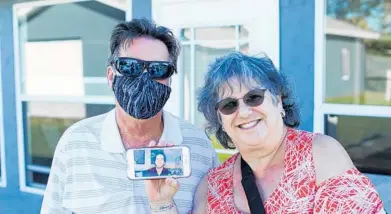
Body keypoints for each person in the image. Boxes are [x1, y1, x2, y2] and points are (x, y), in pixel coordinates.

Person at [145, 52, 386, 214]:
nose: (244, 112)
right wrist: (162, 203)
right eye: (229, 105)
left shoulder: (319, 156)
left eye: (254, 97)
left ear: (279, 102)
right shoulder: (211, 187)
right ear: (220, 118)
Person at [41, 18, 219, 214]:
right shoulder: (75, 143)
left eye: (158, 69)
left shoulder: (199, 147)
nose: (144, 78)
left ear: (169, 80)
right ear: (110, 76)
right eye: (130, 67)